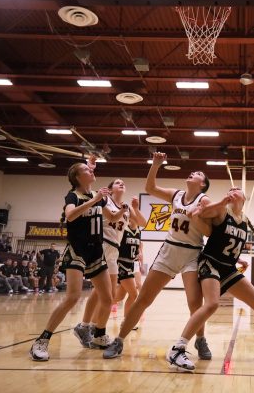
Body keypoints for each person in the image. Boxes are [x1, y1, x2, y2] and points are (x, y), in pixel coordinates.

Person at [165, 187, 254, 371]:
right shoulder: (222, 210)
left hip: (228, 267)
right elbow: (197, 213)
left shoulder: (245, 221)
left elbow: (228, 242)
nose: (232, 190)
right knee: (212, 304)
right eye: (229, 188)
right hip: (210, 262)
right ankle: (177, 348)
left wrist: (237, 258)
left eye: (236, 189)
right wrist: (221, 201)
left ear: (244, 198)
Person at [103, 151, 213, 360]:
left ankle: (200, 340)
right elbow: (150, 188)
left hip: (192, 253)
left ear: (202, 184)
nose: (192, 173)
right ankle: (119, 341)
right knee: (143, 299)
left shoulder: (204, 200)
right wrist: (155, 164)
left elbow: (208, 231)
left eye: (198, 173)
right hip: (169, 250)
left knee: (194, 303)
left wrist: (198, 217)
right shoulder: (177, 194)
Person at [29, 161, 114, 361]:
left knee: (107, 298)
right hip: (77, 250)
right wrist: (96, 200)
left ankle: (99, 335)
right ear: (77, 177)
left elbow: (111, 216)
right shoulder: (73, 196)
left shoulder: (96, 196)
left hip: (96, 251)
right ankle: (41, 340)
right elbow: (70, 216)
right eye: (85, 170)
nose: (90, 171)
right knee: (72, 297)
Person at [73, 176, 145, 350]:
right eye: (118, 182)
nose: (122, 183)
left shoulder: (126, 207)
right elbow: (111, 218)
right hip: (102, 245)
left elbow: (142, 223)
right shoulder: (105, 199)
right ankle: (91, 328)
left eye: (123, 182)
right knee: (105, 293)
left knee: (108, 294)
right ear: (111, 189)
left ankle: (90, 327)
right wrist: (122, 210)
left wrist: (134, 208)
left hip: (114, 250)